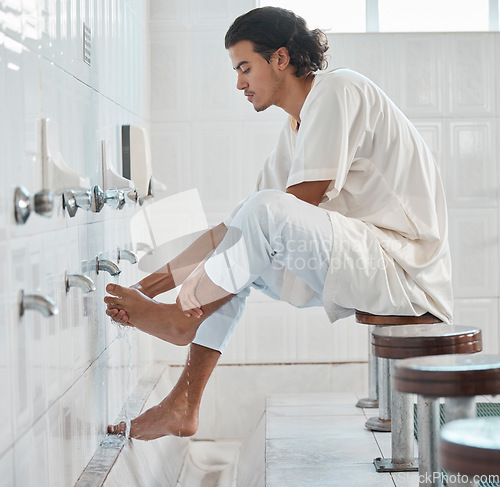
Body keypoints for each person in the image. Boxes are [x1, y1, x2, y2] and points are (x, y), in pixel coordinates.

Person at [104, 6, 453, 440]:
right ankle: (183, 404)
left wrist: (191, 293)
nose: (239, 83)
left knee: (259, 216)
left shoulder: (337, 91)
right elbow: (235, 229)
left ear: (281, 59)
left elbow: (277, 215)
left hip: (403, 270)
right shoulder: (296, 126)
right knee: (249, 221)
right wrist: (145, 287)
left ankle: (181, 321)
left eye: (245, 67)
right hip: (360, 259)